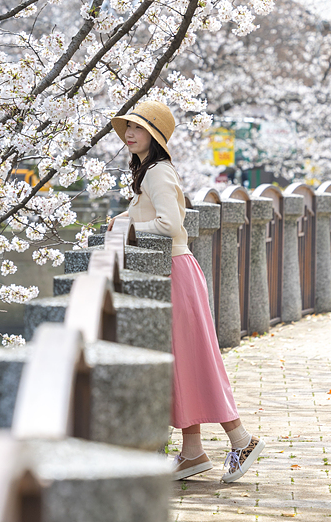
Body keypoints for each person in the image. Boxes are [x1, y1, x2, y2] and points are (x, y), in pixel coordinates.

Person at [108, 100, 265, 483]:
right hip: (174, 272)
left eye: (139, 129)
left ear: (155, 137)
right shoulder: (152, 172)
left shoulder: (158, 172)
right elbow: (153, 215)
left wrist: (124, 231)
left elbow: (169, 225)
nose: (130, 133)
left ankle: (241, 439)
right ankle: (192, 452)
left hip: (175, 271)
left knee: (194, 360)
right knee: (182, 361)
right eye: (128, 126)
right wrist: (125, 217)